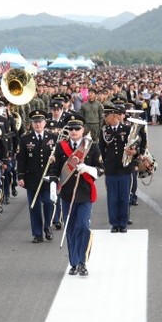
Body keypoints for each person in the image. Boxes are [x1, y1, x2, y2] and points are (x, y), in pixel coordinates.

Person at [48, 113, 103, 276]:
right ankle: (73, 262)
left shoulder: (91, 146)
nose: (73, 131)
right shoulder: (61, 146)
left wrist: (89, 169)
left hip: (85, 193)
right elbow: (55, 168)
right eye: (71, 128)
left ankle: (82, 262)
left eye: (77, 128)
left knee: (83, 227)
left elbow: (100, 168)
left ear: (83, 129)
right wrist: (52, 183)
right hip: (67, 193)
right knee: (70, 228)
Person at [17, 109, 58, 243]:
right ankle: (37, 233)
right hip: (32, 178)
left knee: (48, 202)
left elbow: (59, 157)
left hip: (48, 177)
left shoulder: (53, 138)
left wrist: (54, 161)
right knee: (34, 205)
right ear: (32, 124)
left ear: (45, 123)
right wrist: (20, 176)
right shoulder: (25, 139)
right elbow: (21, 159)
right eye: (35, 122)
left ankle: (47, 227)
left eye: (40, 122)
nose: (38, 124)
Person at [99, 105, 136, 233]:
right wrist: (103, 165)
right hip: (111, 169)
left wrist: (134, 152)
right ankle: (114, 223)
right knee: (112, 197)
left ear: (113, 116)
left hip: (125, 168)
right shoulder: (104, 131)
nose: (105, 118)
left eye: (107, 115)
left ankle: (123, 223)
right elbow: (101, 149)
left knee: (124, 197)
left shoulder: (127, 129)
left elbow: (136, 145)